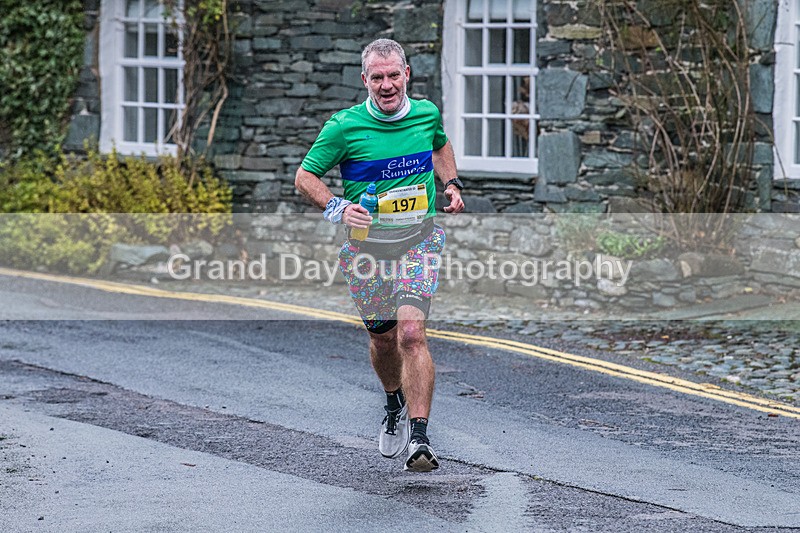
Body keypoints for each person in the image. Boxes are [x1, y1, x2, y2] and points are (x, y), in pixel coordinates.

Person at [295, 38, 465, 472]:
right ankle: (393, 404)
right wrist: (336, 207)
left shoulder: (425, 113)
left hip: (418, 240)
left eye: (394, 75)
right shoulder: (344, 127)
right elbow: (305, 176)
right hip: (366, 250)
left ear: (406, 74)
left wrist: (452, 184)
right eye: (378, 77)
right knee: (383, 337)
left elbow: (440, 145)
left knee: (411, 333)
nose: (387, 85)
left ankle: (420, 438)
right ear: (365, 80)